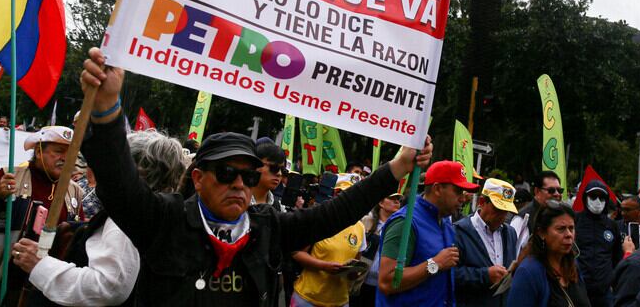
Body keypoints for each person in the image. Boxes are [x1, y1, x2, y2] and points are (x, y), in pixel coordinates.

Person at [79, 47, 432, 306]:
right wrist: (107, 105)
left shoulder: (267, 227)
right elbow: (119, 183)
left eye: (249, 177)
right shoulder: (165, 220)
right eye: (227, 172)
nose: (238, 184)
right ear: (198, 178)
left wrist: (397, 167)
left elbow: (335, 213)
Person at [9, 129, 185, 306]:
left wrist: (40, 265)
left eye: (114, 164)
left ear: (130, 172)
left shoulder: (126, 220)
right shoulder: (165, 215)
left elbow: (108, 287)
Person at [0, 125, 84, 306]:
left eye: (71, 153)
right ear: (39, 152)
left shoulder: (75, 192)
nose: (65, 158)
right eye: (58, 152)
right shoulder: (9, 177)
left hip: (39, 291)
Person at [376, 160, 478, 306]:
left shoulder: (445, 222)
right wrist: (435, 264)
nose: (463, 198)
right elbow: (386, 282)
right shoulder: (405, 223)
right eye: (457, 191)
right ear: (437, 189)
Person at [291, 174, 368, 307]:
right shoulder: (319, 218)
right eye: (346, 193)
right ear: (335, 194)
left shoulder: (360, 227)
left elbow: (355, 263)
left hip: (340, 301)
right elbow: (297, 253)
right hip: (308, 298)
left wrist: (353, 273)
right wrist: (324, 266)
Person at [507, 201, 591, 307]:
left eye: (571, 228)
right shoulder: (528, 272)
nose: (569, 235)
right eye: (561, 229)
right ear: (541, 233)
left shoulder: (572, 266)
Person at [453, 178, 519, 307]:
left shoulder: (510, 233)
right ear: (482, 202)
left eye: (506, 211)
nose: (502, 216)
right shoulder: (458, 231)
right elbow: (449, 274)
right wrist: (485, 275)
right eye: (498, 209)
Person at [575, 182, 622, 307]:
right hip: (578, 288)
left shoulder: (612, 226)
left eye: (601, 198)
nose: (597, 201)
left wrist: (612, 282)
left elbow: (617, 257)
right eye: (593, 197)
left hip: (604, 292)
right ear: (585, 198)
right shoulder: (575, 221)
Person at [352, 192, 402, 307]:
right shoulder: (365, 221)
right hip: (359, 281)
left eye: (398, 199)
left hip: (382, 285)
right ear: (381, 203)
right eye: (392, 198)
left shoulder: (400, 227)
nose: (397, 201)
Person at [512, 171, 563, 252]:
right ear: (537, 191)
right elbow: (512, 251)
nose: (557, 194)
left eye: (560, 190)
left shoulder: (561, 215)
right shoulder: (522, 218)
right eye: (551, 190)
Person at [251, 140, 286, 212]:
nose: (279, 173)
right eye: (274, 168)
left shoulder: (280, 207)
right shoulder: (238, 200)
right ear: (256, 165)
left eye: (282, 170)